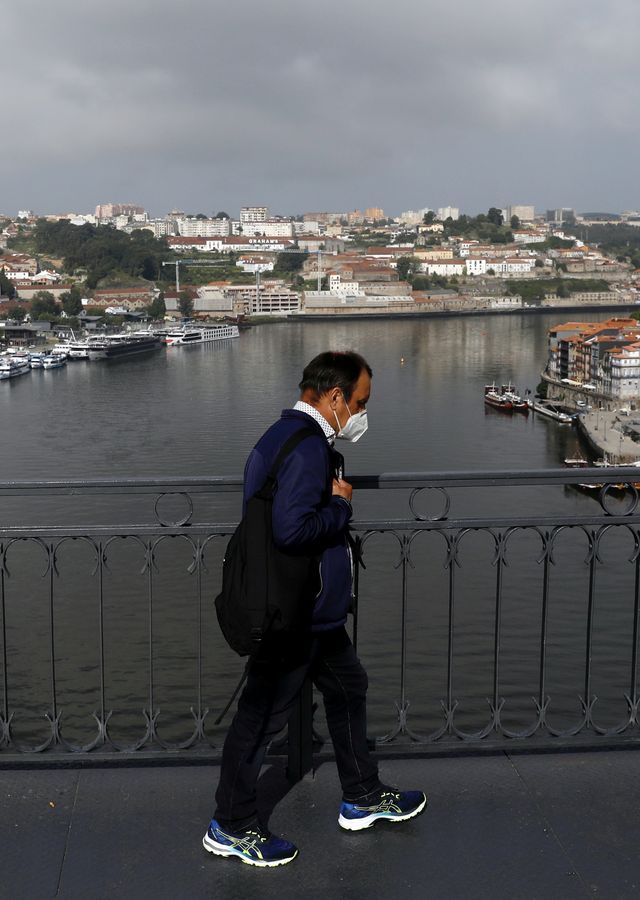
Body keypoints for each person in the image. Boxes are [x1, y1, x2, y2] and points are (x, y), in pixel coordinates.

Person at [202, 350, 426, 868]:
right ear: (333, 397)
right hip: (294, 613)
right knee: (261, 716)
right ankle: (231, 825)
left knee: (348, 688)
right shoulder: (306, 450)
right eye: (361, 403)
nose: (364, 415)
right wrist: (342, 505)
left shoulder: (281, 437)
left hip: (312, 611)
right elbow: (293, 530)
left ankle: (362, 795)